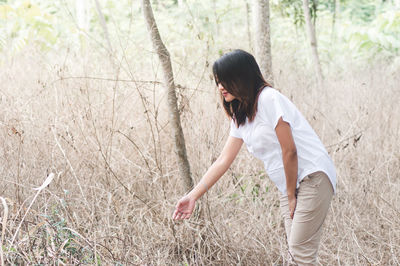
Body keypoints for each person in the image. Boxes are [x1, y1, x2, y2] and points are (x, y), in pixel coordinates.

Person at [172, 49, 336, 265]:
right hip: (289, 186)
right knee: (298, 256)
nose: (220, 87)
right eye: (218, 81)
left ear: (242, 77)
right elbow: (223, 160)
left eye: (226, 80)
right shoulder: (240, 115)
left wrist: (290, 195)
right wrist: (193, 195)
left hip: (312, 177)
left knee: (299, 255)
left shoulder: (269, 99)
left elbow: (290, 150)